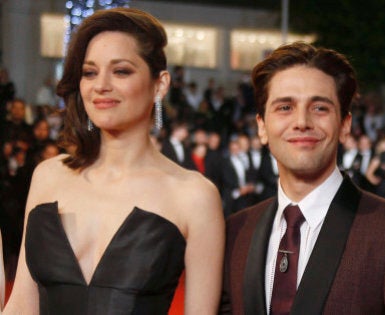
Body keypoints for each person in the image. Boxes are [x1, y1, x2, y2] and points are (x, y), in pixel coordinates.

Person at [4, 8, 224, 314]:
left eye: (121, 71)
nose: (101, 85)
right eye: (89, 72)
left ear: (159, 84)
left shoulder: (194, 196)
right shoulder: (48, 176)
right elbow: (22, 306)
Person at [220, 42, 385, 315]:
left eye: (320, 108)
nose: (301, 121)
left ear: (345, 125)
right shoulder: (236, 232)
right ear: (262, 127)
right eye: (285, 107)